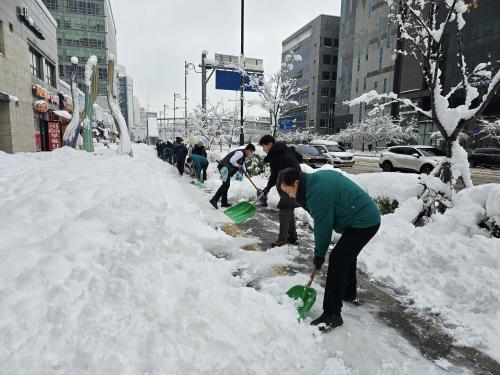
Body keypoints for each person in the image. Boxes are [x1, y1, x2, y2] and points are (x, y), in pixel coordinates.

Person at [278, 168, 381, 332]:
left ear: (296, 183)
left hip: (364, 221)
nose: (289, 196)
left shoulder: (317, 192)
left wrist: (318, 256)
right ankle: (348, 293)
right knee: (346, 256)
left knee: (338, 259)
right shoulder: (313, 182)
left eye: (288, 191)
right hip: (360, 217)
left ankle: (333, 314)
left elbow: (323, 228)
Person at [258, 135, 302, 247]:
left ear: (270, 144)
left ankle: (282, 239)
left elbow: (274, 176)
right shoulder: (284, 149)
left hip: (288, 183)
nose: (263, 150)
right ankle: (292, 237)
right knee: (289, 208)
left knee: (284, 208)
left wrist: (267, 189)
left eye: (264, 147)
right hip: (295, 181)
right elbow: (299, 157)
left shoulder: (276, 154)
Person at [209, 144, 256, 209]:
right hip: (224, 168)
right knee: (225, 185)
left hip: (226, 168)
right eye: (251, 152)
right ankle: (214, 200)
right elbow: (232, 160)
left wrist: (246, 173)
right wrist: (238, 165)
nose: (251, 154)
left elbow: (242, 165)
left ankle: (224, 202)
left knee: (226, 185)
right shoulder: (240, 153)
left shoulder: (243, 155)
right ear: (248, 150)